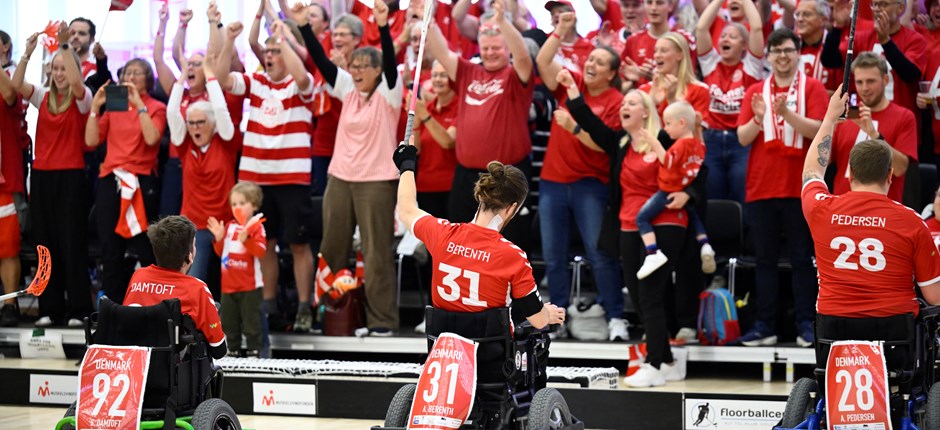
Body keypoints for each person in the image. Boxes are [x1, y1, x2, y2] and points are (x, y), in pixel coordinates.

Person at [801, 86, 940, 363]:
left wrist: (830, 117)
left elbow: (812, 171)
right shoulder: (913, 222)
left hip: (834, 329)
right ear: (890, 175)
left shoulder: (821, 209)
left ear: (849, 173)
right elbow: (934, 296)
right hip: (893, 335)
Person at [566, 87, 689, 387]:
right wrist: (572, 90)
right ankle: (669, 361)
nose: (625, 106)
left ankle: (655, 363)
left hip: (664, 226)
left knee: (649, 295)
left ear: (646, 112)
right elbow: (592, 125)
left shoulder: (663, 139)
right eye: (623, 102)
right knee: (638, 296)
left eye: (632, 102)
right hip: (627, 228)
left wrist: (688, 193)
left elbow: (697, 168)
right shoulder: (621, 142)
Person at [295, 0, 402, 335]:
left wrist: (383, 26)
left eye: (362, 66)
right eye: (353, 65)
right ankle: (332, 314)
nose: (355, 71)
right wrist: (303, 27)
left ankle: (382, 322)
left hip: (377, 180)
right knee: (332, 248)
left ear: (376, 70)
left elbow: (392, 65)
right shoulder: (346, 89)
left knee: (376, 253)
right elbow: (324, 63)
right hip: (340, 178)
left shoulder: (390, 91)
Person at [213, 20, 317, 332]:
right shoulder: (256, 82)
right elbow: (219, 79)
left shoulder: (301, 83)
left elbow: (301, 75)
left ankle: (303, 308)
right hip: (255, 179)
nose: (269, 55)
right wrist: (230, 41)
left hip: (291, 178)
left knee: (298, 245)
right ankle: (267, 306)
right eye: (267, 51)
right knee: (264, 243)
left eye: (276, 51)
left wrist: (283, 38)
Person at [393, 144, 565, 328]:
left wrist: (407, 164)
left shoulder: (442, 233)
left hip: (444, 351)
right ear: (512, 208)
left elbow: (406, 210)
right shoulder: (513, 257)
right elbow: (538, 321)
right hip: (490, 354)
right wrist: (547, 314)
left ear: (480, 196)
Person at [535, 12, 629, 341]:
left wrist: (573, 127)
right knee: (553, 256)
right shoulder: (570, 84)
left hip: (591, 184)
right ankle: (556, 319)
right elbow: (543, 62)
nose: (591, 65)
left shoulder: (617, 102)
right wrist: (560, 31)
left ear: (612, 73)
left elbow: (606, 147)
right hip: (553, 182)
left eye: (600, 63)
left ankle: (616, 316)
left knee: (600, 254)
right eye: (591, 59)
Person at [736, 28, 826, 348]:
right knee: (765, 260)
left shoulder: (812, 88)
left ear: (798, 52)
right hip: (761, 187)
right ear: (769, 56)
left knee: (802, 259)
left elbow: (818, 130)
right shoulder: (755, 91)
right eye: (776, 51)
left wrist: (787, 114)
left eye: (788, 50)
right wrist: (760, 119)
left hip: (800, 186)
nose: (783, 56)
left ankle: (805, 323)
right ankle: (765, 325)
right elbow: (742, 137)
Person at [425, 0, 536, 251]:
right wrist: (428, 21)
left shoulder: (515, 75)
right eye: (485, 48)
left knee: (507, 243)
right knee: (461, 240)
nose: (490, 52)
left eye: (496, 48)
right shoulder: (467, 72)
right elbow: (442, 52)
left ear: (506, 48)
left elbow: (522, 56)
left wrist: (503, 22)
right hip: (467, 175)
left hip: (506, 174)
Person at [11, 24, 93, 327]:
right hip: (43, 178)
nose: (60, 74)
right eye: (56, 68)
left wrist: (64, 47)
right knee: (44, 246)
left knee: (72, 244)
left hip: (71, 178)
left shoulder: (83, 98)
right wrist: (28, 54)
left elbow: (75, 80)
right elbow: (17, 85)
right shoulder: (43, 96)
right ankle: (49, 308)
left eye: (64, 69)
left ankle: (78, 310)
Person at [84, 59, 167, 305]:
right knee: (110, 247)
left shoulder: (156, 106)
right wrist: (95, 108)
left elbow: (152, 138)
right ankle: (113, 306)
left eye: (137, 73)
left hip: (142, 181)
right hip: (112, 180)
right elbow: (91, 141)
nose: (130, 76)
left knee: (146, 246)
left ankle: (151, 304)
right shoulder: (115, 106)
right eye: (127, 72)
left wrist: (139, 104)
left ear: (148, 79)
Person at [166, 54, 239, 284]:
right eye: (191, 123)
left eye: (200, 122)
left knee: (233, 284)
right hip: (194, 226)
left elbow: (221, 108)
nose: (195, 127)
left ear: (213, 123)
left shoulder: (225, 141)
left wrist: (209, 74)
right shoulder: (185, 145)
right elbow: (171, 112)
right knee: (193, 282)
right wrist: (181, 78)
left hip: (225, 224)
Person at [124, 216, 228, 360]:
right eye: (195, 245)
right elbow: (219, 350)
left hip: (133, 367)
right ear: (189, 256)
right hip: (172, 374)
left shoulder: (138, 277)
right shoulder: (197, 289)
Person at [696, 0, 765, 206]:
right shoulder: (710, 64)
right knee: (713, 198)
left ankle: (745, 237)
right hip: (711, 140)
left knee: (743, 196)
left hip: (741, 141)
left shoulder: (751, 66)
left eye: (733, 37)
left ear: (744, 46)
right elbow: (701, 28)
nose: (725, 39)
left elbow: (758, 27)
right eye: (723, 36)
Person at [635, 101, 713, 279]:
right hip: (684, 187)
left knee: (641, 218)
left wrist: (653, 142)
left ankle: (653, 253)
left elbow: (667, 162)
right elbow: (702, 147)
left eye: (668, 124)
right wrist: (698, 128)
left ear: (682, 123)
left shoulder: (680, 145)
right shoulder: (697, 144)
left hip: (668, 189)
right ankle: (705, 243)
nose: (666, 128)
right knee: (693, 215)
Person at [828, 53, 917, 203]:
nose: (864, 88)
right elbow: (825, 160)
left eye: (870, 81)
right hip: (844, 207)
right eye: (859, 82)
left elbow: (901, 168)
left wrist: (873, 134)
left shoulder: (904, 117)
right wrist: (828, 126)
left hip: (883, 211)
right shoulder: (845, 115)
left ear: (885, 80)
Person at [822, 0, 927, 117]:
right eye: (874, 4)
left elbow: (911, 75)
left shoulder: (914, 40)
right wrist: (837, 27)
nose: (877, 9)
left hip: (899, 118)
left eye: (883, 4)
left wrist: (886, 42)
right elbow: (830, 61)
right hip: (866, 117)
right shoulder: (863, 37)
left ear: (900, 8)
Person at [208, 182, 266, 357]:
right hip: (228, 286)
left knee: (252, 323)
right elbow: (221, 253)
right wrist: (218, 239)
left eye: (242, 203)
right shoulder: (229, 227)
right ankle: (232, 351)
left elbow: (261, 251)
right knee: (229, 323)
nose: (237, 208)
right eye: (234, 204)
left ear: (254, 205)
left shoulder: (257, 226)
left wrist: (247, 240)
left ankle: (254, 352)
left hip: (250, 286)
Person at [0, 29, 24, 327]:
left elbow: (8, 95)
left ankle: (9, 304)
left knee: (6, 246)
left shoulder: (11, 76)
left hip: (4, 180)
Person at [620, 0, 697, 90]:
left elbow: (690, 80)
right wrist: (633, 80)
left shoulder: (684, 39)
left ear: (670, 6)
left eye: (659, 3)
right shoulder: (633, 41)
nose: (653, 8)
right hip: (642, 101)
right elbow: (621, 86)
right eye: (649, 3)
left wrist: (656, 77)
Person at [638, 32, 709, 120]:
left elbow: (695, 131)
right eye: (655, 51)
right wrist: (651, 103)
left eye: (663, 51)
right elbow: (638, 129)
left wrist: (672, 101)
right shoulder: (644, 90)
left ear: (680, 55)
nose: (657, 55)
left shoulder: (699, 90)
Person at [795, 0, 838, 91]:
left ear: (823, 20)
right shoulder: (790, 47)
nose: (800, 19)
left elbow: (843, 93)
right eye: (797, 14)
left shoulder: (835, 46)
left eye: (806, 14)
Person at [544, 0, 594, 72]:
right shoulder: (544, 40)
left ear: (573, 18)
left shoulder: (588, 47)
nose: (556, 15)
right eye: (552, 14)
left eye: (561, 12)